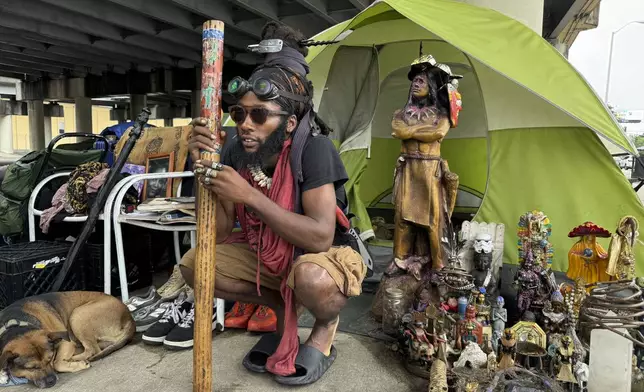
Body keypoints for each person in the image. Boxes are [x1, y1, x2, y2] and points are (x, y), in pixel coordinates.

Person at [183, 22, 366, 385]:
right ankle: (282, 309)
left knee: (310, 278)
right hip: (266, 251)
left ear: (289, 122)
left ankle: (325, 326)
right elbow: (218, 232)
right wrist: (201, 167)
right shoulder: (236, 149)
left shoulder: (314, 149)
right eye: (238, 114)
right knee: (196, 266)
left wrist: (248, 195)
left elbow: (319, 237)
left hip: (322, 256)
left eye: (259, 115)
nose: (245, 125)